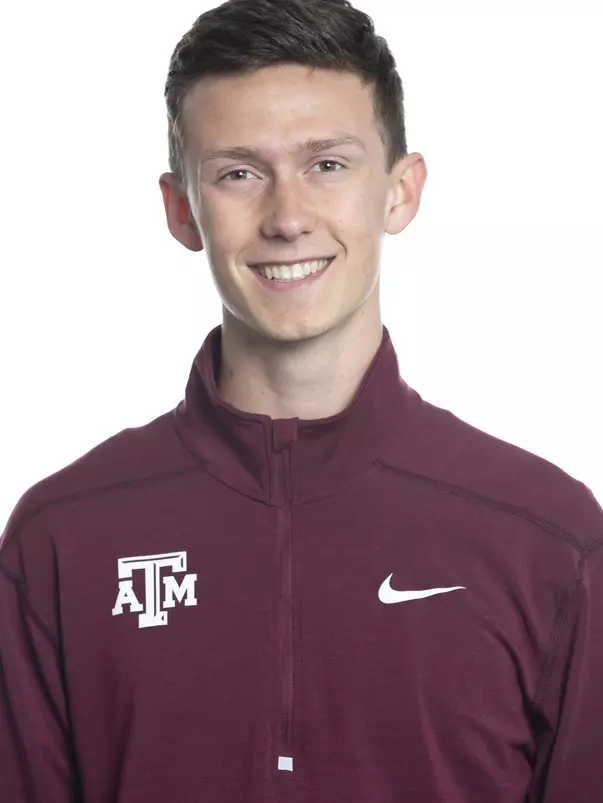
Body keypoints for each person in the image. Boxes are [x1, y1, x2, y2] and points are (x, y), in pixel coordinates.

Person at [1, 0, 602, 800]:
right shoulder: (62, 539)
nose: (286, 218)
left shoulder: (546, 538)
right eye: (239, 173)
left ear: (399, 191)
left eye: (327, 164)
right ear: (182, 209)